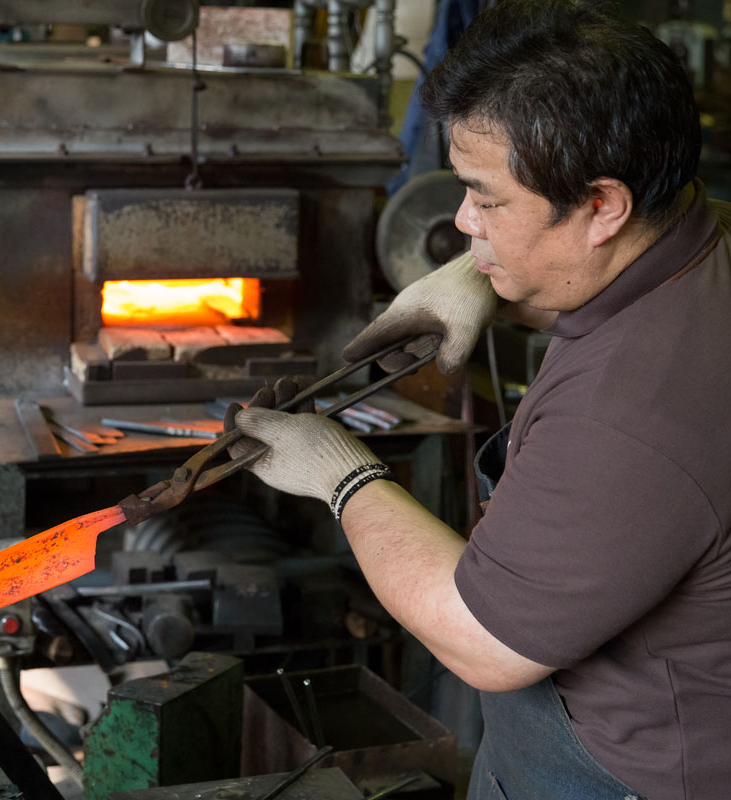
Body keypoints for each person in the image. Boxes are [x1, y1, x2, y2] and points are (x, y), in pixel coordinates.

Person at [226, 2, 731, 798]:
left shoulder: (633, 413)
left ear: (602, 205)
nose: (462, 218)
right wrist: (483, 275)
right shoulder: (703, 237)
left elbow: (483, 641)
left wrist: (340, 473)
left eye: (486, 199)